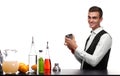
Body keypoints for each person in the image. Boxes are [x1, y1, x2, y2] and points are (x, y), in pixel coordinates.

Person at [64, 6, 112, 70]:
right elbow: (84, 61)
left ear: (101, 19)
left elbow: (94, 62)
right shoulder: (90, 36)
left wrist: (75, 47)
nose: (91, 20)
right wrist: (73, 49)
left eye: (94, 18)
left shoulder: (105, 37)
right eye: (89, 17)